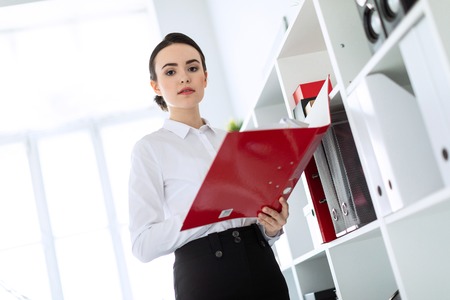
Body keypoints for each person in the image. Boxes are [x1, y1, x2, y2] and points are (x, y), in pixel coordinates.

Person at [128, 32, 290, 300]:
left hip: (263, 267)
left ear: (205, 77)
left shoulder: (234, 142)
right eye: (170, 72)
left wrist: (271, 228)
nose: (184, 77)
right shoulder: (150, 149)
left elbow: (249, 217)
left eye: (192, 68)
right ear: (155, 86)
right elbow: (142, 245)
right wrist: (203, 213)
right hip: (204, 279)